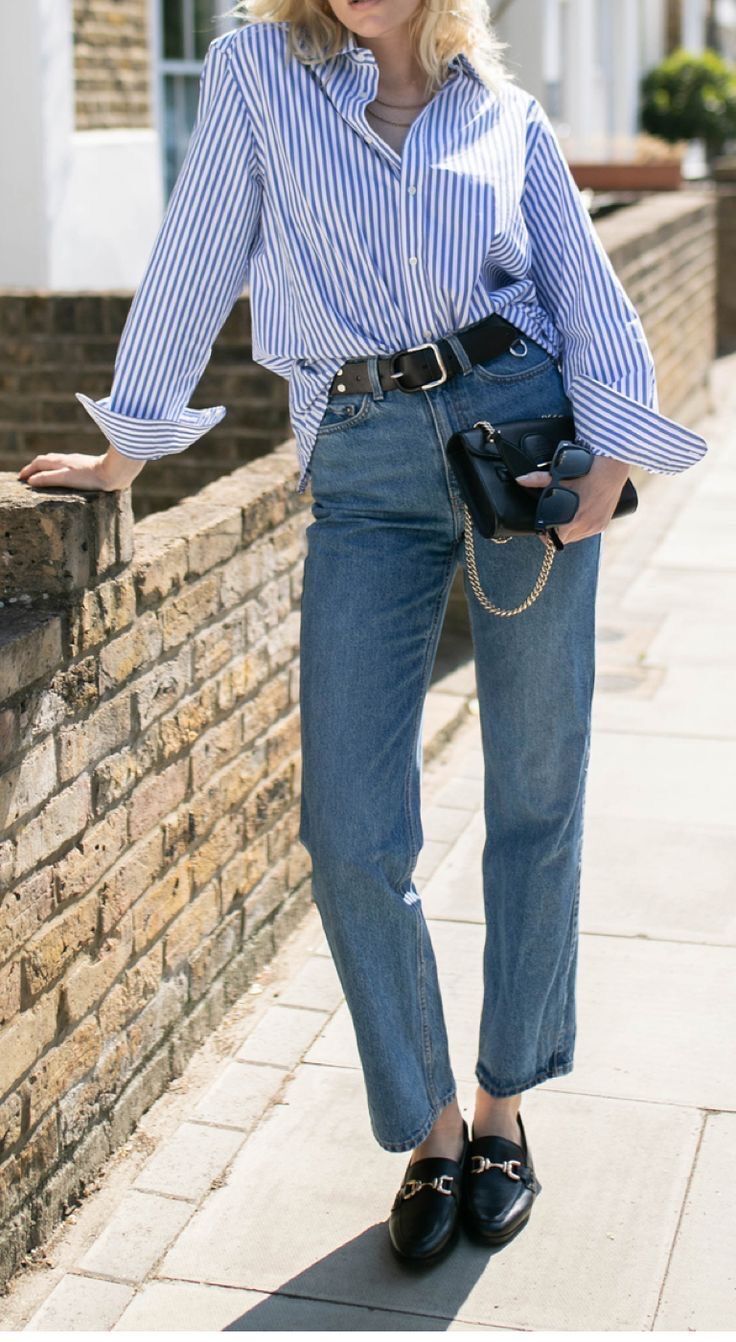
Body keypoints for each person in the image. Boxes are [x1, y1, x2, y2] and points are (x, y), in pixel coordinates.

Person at [18, 0, 708, 1265]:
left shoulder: (505, 114)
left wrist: (611, 459)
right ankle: (429, 1125)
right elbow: (196, 249)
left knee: (537, 787)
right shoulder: (253, 74)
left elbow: (582, 289)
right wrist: (130, 444)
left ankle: (503, 1108)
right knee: (346, 825)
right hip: (363, 459)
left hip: (521, 436)